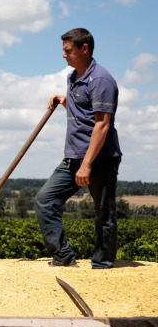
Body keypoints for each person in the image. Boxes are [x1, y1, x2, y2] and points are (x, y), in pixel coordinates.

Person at [35, 28, 122, 269]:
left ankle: (102, 263)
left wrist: (87, 164)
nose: (64, 56)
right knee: (44, 200)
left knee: (103, 211)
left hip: (99, 159)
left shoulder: (102, 80)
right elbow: (85, 112)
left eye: (68, 51)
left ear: (84, 49)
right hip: (72, 157)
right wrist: (65, 101)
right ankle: (62, 255)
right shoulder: (73, 78)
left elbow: (102, 125)